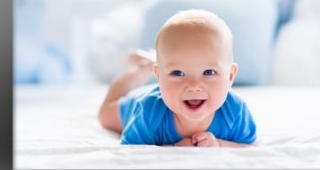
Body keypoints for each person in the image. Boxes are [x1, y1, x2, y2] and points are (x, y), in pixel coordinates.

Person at [98, 9, 256, 147]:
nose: (194, 86)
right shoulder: (148, 111)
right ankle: (143, 68)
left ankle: (158, 63)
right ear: (158, 75)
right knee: (104, 115)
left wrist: (219, 144)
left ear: (230, 76)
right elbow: (131, 151)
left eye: (209, 72)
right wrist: (173, 147)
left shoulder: (235, 111)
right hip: (134, 104)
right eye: (178, 73)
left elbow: (248, 146)